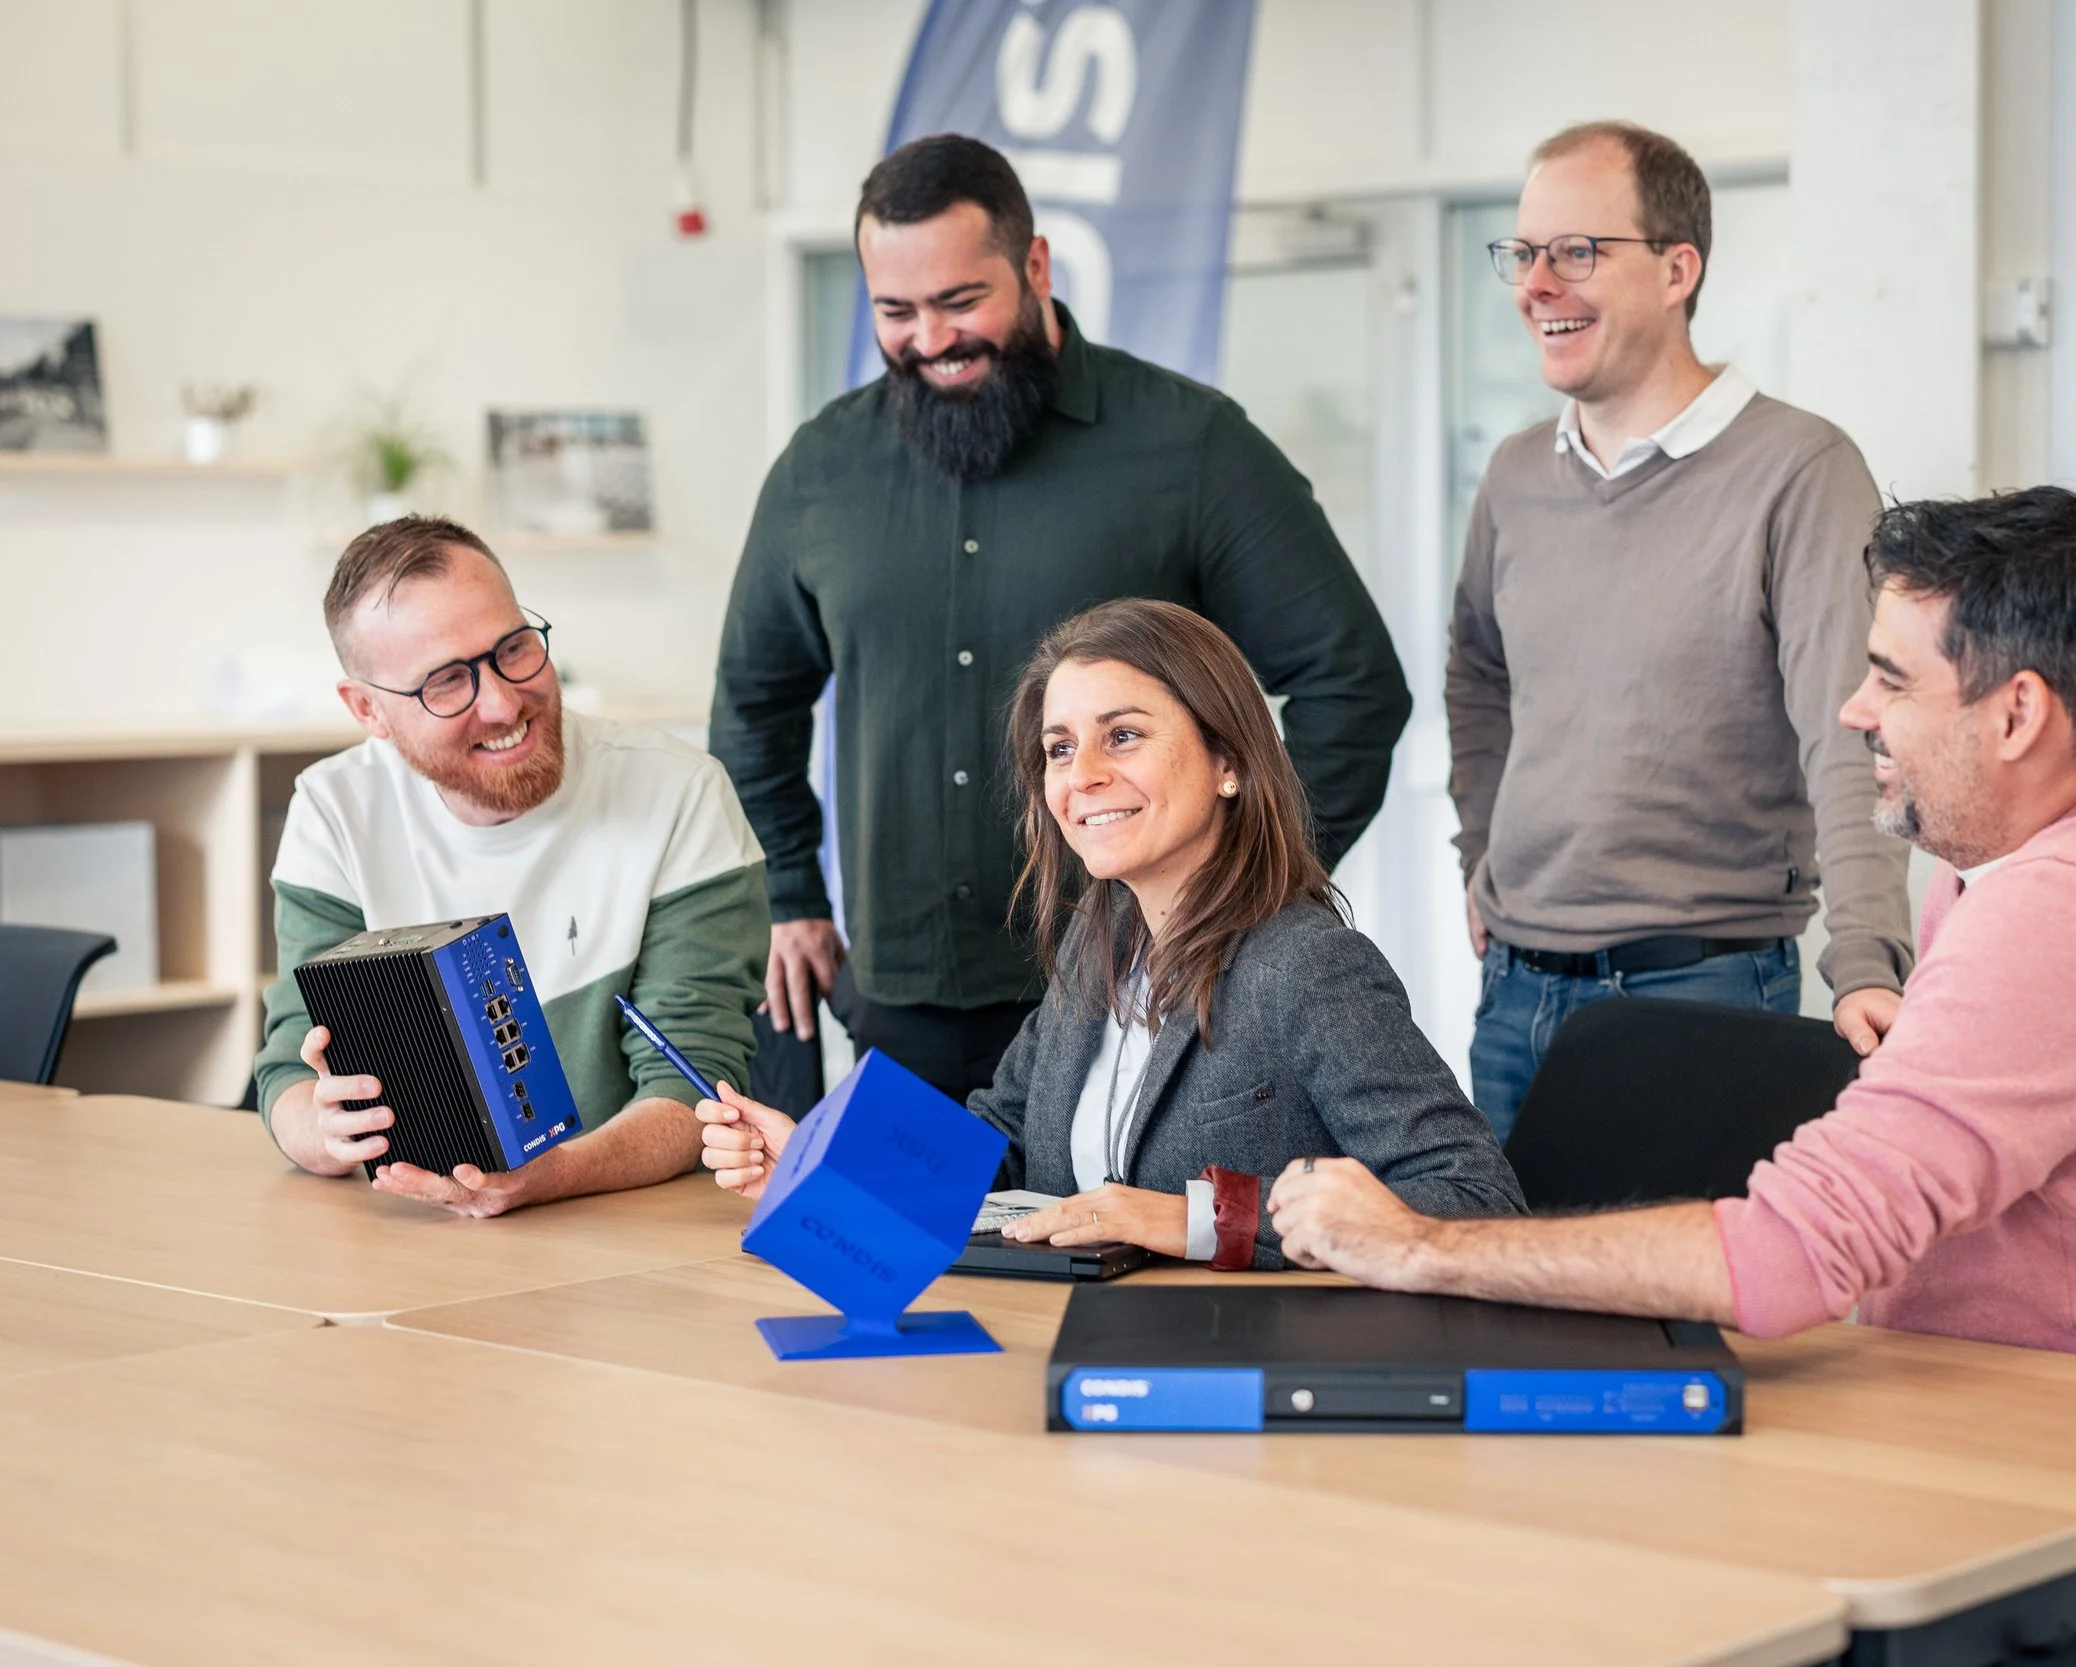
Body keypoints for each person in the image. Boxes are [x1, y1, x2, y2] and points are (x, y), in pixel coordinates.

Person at [1275, 488, 2076, 1658]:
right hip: (2043, 1483)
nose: (1853, 708)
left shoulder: (2072, 910)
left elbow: (1790, 1257)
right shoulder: (2041, 856)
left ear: (2018, 712)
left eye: (1891, 677)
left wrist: (1418, 1245)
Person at [711, 134, 1410, 1109]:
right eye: (895, 312)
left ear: (1034, 266)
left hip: (1139, 999)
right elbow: (752, 706)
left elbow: (1353, 683)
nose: (932, 339)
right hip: (896, 1003)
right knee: (902, 1257)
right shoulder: (818, 470)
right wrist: (790, 893)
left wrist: (1238, 897)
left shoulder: (1189, 444)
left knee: (1109, 1258)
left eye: (961, 302)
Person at [699, 600, 1520, 1269]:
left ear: (1228, 759)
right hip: (1070, 1356)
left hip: (1234, 1389)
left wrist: (1193, 1219)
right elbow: (1000, 1152)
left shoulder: (1307, 966)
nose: (1081, 773)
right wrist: (819, 1161)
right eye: (1060, 747)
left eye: (1122, 735)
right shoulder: (1097, 956)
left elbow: (1473, 1199)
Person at [1451, 120, 1912, 1140]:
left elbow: (1851, 728)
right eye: (1522, 254)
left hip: (1700, 995)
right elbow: (1475, 674)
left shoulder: (1799, 469)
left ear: (1676, 268)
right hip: (1513, 998)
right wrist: (1477, 848)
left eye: (1575, 251)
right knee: (1486, 1295)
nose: (1537, 283)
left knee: (1687, 1304)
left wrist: (1868, 956)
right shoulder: (1517, 472)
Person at [255, 517, 768, 1218]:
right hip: (406, 1231)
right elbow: (289, 1066)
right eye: (446, 683)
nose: (502, 702)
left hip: (623, 1224)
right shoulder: (334, 808)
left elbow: (692, 1087)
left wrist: (551, 1175)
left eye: (514, 648)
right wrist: (322, 1130)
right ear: (367, 709)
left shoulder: (679, 793)